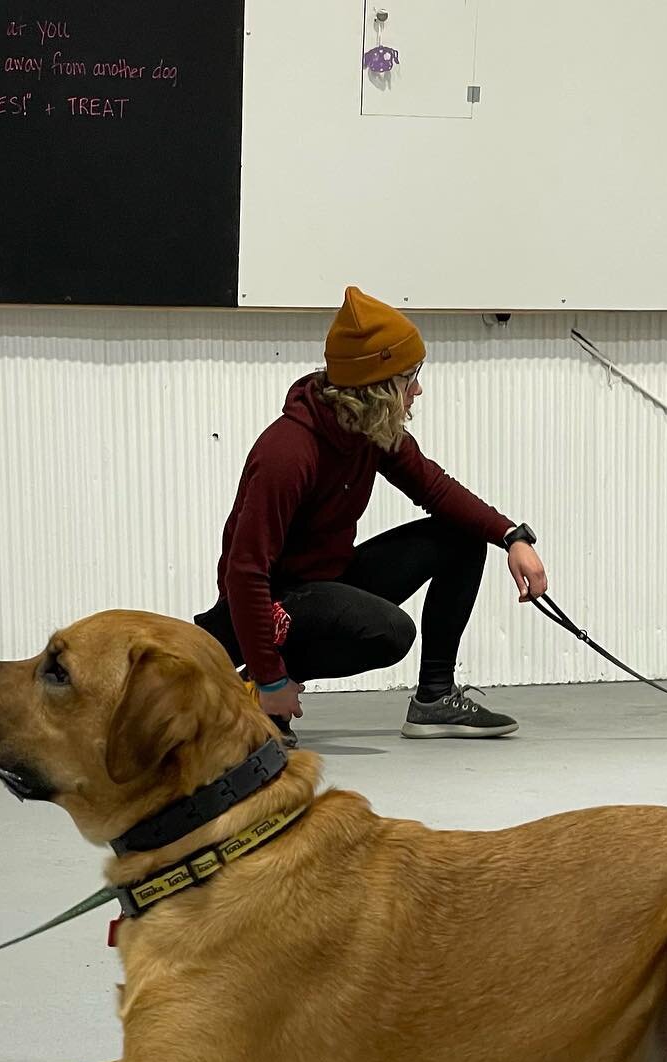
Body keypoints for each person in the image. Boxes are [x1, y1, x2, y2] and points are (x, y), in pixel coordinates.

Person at [196, 287, 548, 743]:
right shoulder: (288, 452)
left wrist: (511, 536)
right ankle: (249, 689)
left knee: (459, 538)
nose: (417, 390)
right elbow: (245, 573)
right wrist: (271, 678)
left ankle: (434, 699)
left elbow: (436, 489)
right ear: (378, 386)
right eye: (409, 378)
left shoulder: (369, 429)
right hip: (273, 603)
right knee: (390, 633)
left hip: (327, 583)